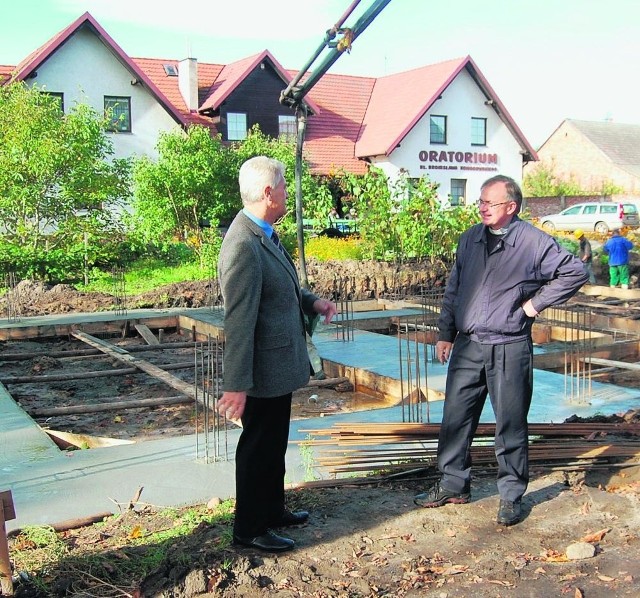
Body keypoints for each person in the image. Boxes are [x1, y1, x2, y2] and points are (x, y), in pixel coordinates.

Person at [413, 175, 588, 526]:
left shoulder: (534, 243)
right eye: (480, 201)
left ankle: (511, 495)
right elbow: (454, 288)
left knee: (509, 422)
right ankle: (453, 483)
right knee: (455, 417)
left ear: (511, 206)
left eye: (488, 203)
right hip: (469, 344)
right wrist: (445, 333)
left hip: (508, 345)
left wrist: (533, 306)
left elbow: (575, 271)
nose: (481, 207)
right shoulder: (470, 239)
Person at [217, 156, 337, 552]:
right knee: (257, 448)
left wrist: (311, 302)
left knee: (273, 443)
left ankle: (271, 510)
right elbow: (239, 319)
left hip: (278, 366)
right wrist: (236, 385)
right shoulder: (243, 245)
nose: (288, 191)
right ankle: (250, 529)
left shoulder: (264, 234)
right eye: (284, 185)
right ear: (269, 193)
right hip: (261, 371)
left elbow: (280, 289)